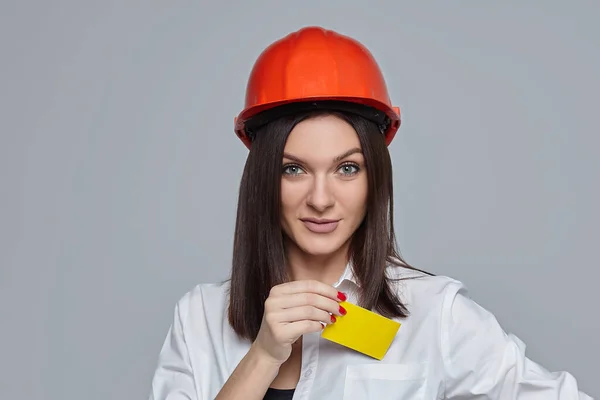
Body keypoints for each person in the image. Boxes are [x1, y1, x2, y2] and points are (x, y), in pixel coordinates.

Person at [148, 26, 592, 400]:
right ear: (263, 178)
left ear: (374, 178)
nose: (320, 199)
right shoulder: (199, 318)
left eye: (346, 168)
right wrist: (263, 355)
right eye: (294, 169)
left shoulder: (434, 315)